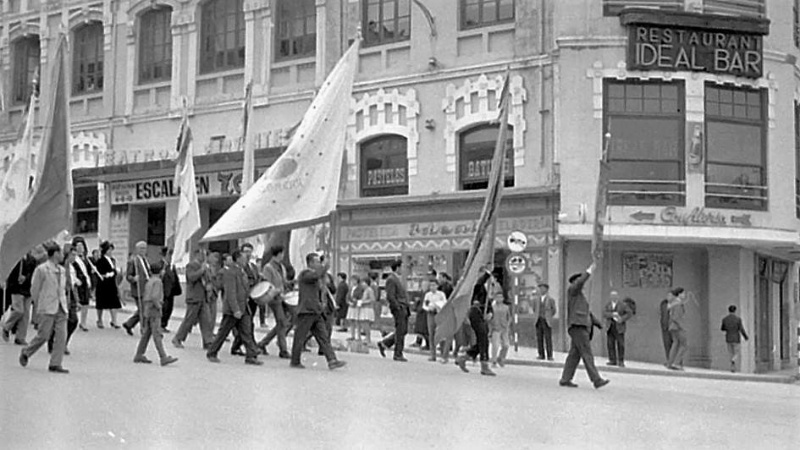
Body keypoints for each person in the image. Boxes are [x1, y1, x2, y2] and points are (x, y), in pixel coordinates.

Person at [19, 243, 70, 374]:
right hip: (47, 307)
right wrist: (39, 304)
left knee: (61, 336)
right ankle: (27, 351)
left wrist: (66, 303)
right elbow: (34, 289)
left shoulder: (62, 270)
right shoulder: (42, 269)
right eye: (61, 253)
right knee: (44, 335)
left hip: (61, 307)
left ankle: (55, 363)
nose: (63, 255)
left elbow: (63, 289)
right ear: (55, 254)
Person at [289, 253, 346, 370]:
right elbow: (316, 275)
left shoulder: (317, 276)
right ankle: (295, 360)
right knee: (300, 337)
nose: (318, 264)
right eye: (316, 262)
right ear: (310, 263)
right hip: (306, 311)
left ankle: (332, 360)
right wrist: (325, 266)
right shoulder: (305, 274)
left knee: (324, 337)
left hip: (316, 311)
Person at [206, 251, 262, 365]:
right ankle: (212, 352)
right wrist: (235, 309)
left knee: (247, 331)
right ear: (238, 259)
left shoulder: (242, 272)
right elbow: (230, 292)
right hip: (233, 309)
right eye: (244, 258)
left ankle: (251, 355)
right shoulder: (230, 272)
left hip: (243, 306)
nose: (246, 259)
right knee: (223, 332)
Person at [559, 262, 609, 389]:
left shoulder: (581, 298)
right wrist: (588, 272)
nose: (582, 284)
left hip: (581, 326)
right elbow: (580, 283)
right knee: (587, 353)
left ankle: (565, 379)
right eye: (579, 281)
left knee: (574, 355)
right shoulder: (573, 291)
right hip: (578, 326)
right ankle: (596, 379)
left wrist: (599, 324)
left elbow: (588, 314)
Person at [456, 265, 500, 377]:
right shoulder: (474, 286)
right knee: (483, 339)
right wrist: (487, 274)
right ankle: (484, 366)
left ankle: (465, 357)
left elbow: (487, 303)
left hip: (482, 314)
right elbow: (479, 284)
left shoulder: (486, 289)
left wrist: (490, 312)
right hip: (475, 313)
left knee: (483, 339)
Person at [133, 260, 178, 366]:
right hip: (154, 309)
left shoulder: (150, 281)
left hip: (147, 308)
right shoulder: (158, 282)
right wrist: (159, 306)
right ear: (161, 271)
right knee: (157, 334)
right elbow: (154, 297)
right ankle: (163, 357)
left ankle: (139, 353)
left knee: (146, 334)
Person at [172, 249, 214, 350]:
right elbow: (191, 277)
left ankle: (207, 341)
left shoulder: (205, 266)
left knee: (206, 320)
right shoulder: (191, 266)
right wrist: (202, 270)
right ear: (196, 255)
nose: (203, 257)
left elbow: (208, 279)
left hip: (203, 297)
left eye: (204, 255)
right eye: (201, 255)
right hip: (194, 297)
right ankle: (178, 338)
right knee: (189, 320)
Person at [2, 246, 43, 346]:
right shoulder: (15, 259)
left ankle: (20, 337)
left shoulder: (32, 259)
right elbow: (8, 272)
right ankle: (7, 326)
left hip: (27, 288)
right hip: (16, 288)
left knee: (25, 315)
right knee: (18, 310)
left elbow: (33, 273)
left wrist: (26, 278)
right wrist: (16, 278)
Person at [257, 245, 291, 358]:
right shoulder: (268, 268)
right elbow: (267, 284)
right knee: (281, 322)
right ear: (279, 254)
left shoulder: (281, 267)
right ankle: (283, 349)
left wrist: (289, 283)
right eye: (282, 253)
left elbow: (283, 281)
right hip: (274, 298)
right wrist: (276, 290)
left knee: (283, 322)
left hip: (282, 297)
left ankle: (263, 343)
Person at [231, 243, 261, 354]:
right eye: (246, 251)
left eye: (250, 251)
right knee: (245, 325)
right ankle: (251, 349)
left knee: (247, 324)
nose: (248, 254)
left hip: (252, 299)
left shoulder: (253, 267)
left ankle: (241, 347)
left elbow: (257, 279)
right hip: (242, 299)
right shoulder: (238, 267)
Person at [377, 260, 410, 362]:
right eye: (402, 267)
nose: (404, 269)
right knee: (400, 330)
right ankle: (398, 353)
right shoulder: (391, 279)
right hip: (399, 308)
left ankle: (385, 343)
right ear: (398, 267)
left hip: (404, 307)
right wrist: (397, 306)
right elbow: (390, 295)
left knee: (403, 330)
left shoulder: (398, 279)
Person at [123, 241, 152, 336]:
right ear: (137, 249)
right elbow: (128, 276)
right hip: (138, 290)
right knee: (143, 310)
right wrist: (133, 278)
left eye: (144, 248)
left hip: (147, 289)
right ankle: (143, 329)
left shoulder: (146, 260)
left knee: (142, 310)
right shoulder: (133, 261)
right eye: (141, 248)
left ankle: (129, 324)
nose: (143, 250)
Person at [94, 241, 122, 329]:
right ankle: (99, 319)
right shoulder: (101, 260)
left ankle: (114, 320)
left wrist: (115, 271)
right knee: (101, 303)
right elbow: (100, 272)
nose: (110, 251)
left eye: (111, 249)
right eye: (109, 249)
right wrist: (112, 272)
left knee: (114, 302)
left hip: (111, 283)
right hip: (103, 284)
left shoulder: (112, 260)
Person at [603, 290, 633, 367]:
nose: (613, 297)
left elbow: (629, 313)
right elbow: (604, 313)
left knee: (620, 344)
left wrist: (622, 319)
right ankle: (612, 360)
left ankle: (621, 360)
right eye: (612, 296)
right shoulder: (608, 304)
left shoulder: (622, 305)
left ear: (617, 297)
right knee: (610, 344)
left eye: (615, 296)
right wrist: (612, 314)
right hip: (610, 326)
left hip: (619, 327)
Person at [422, 277, 447, 362]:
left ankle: (443, 354)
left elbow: (445, 303)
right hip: (431, 314)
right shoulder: (428, 295)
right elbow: (425, 305)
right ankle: (433, 355)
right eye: (431, 285)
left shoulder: (441, 294)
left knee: (440, 334)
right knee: (431, 334)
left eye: (434, 285)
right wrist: (428, 308)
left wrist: (439, 306)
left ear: (437, 286)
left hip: (439, 314)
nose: (432, 287)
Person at [71, 237, 93, 332]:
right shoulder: (73, 258)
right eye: (78, 246)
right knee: (78, 302)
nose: (81, 248)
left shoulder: (86, 259)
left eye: (82, 245)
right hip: (78, 283)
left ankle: (83, 322)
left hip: (85, 283)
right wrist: (75, 280)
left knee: (86, 303)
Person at [666, 287, 690, 371]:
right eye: (683, 293)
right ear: (679, 294)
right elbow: (677, 317)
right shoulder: (678, 304)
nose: (684, 295)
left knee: (675, 344)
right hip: (678, 326)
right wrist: (682, 327)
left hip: (672, 326)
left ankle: (670, 362)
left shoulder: (672, 303)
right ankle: (676, 363)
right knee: (684, 345)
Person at [347, 276, 376, 344]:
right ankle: (366, 338)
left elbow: (372, 299)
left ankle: (368, 339)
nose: (362, 284)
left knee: (366, 324)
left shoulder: (369, 290)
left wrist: (363, 302)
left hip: (367, 309)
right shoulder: (365, 290)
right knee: (363, 324)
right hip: (363, 308)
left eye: (363, 283)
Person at [720, 305, 749, 372]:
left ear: (728, 310)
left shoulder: (725, 319)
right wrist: (745, 336)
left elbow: (722, 328)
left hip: (728, 337)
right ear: (735, 311)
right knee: (737, 352)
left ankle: (732, 367)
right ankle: (734, 360)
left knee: (730, 352)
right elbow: (741, 329)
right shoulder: (738, 319)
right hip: (736, 338)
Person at [532, 282, 556, 361]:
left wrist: (548, 316)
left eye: (543, 288)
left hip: (546, 320)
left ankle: (550, 355)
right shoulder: (536, 299)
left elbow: (554, 310)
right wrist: (537, 316)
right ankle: (541, 354)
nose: (541, 290)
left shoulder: (550, 299)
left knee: (548, 338)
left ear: (546, 289)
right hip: (538, 320)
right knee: (539, 338)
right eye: (540, 288)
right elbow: (534, 309)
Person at [159, 247, 181, 333]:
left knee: (169, 309)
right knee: (164, 309)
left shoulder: (171, 266)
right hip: (163, 291)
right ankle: (160, 324)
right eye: (169, 255)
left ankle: (164, 324)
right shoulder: (161, 265)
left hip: (171, 291)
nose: (170, 257)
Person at [490, 291, 512, 368]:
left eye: (501, 297)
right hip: (495, 328)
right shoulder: (492, 307)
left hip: (504, 328)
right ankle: (494, 361)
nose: (499, 299)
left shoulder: (506, 307)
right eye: (497, 297)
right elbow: (489, 318)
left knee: (506, 345)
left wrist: (508, 324)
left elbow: (509, 317)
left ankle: (501, 358)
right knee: (495, 346)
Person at [659, 297, 672, 362]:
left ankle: (670, 361)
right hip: (670, 327)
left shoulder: (665, 305)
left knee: (668, 345)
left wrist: (664, 326)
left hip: (667, 328)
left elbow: (665, 317)